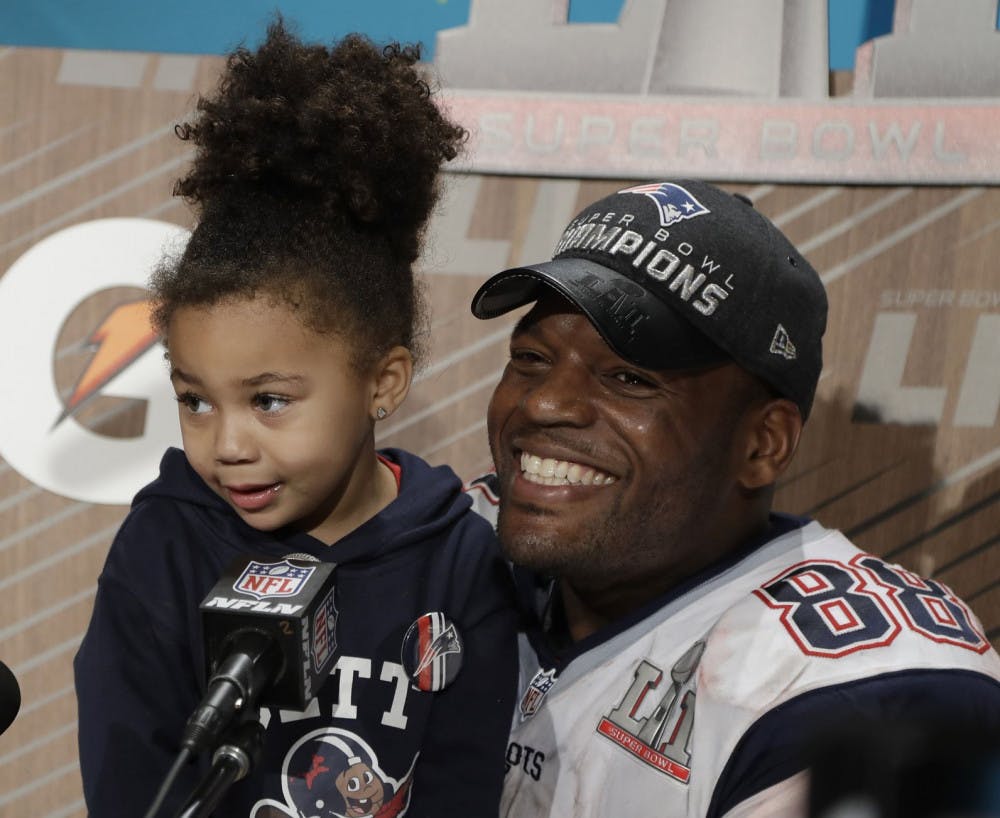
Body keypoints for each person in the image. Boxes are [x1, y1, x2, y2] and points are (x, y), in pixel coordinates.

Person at [73, 20, 517, 818]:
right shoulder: (164, 546)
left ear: (382, 382)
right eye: (195, 400)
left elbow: (469, 784)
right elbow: (130, 783)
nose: (228, 445)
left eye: (269, 400)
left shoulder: (459, 563)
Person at [465, 179, 1000, 817]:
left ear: (762, 444)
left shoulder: (857, 691)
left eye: (628, 378)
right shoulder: (453, 539)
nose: (543, 403)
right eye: (530, 357)